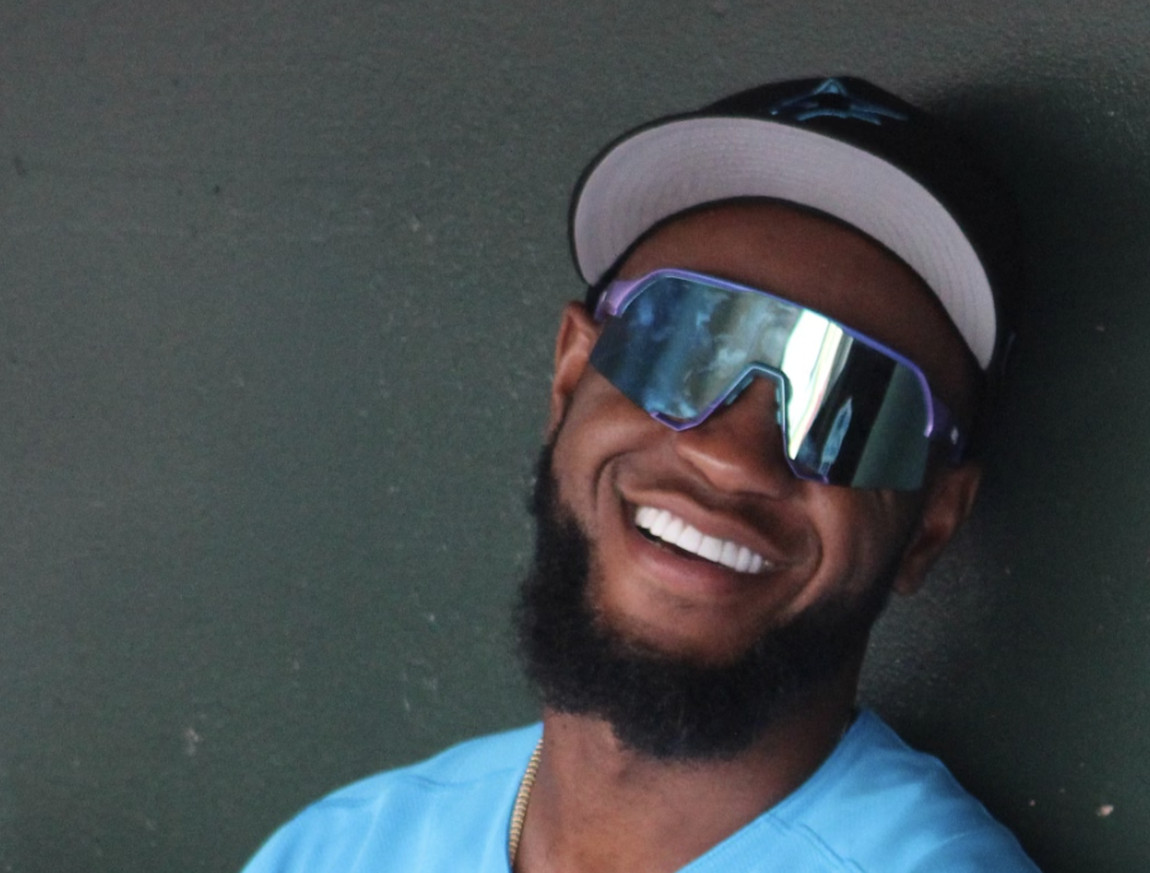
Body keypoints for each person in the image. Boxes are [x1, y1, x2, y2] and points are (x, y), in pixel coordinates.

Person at [240, 77, 1041, 872]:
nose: (732, 456)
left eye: (855, 405)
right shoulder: (341, 848)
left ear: (930, 524)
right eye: (684, 340)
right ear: (570, 375)